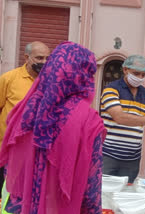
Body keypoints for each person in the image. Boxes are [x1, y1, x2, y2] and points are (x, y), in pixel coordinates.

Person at [0, 41, 106, 213]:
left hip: (19, 206)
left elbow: (12, 168)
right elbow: (91, 190)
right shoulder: (88, 121)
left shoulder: (27, 109)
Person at [100, 55, 145, 183]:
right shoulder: (111, 89)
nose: (139, 78)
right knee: (103, 192)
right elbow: (119, 117)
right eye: (136, 73)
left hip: (132, 158)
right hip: (108, 154)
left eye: (143, 75)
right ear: (125, 69)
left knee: (127, 194)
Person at [0, 41, 50, 198]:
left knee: (26, 195)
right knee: (5, 193)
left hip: (34, 150)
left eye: (47, 58)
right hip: (8, 149)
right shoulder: (9, 79)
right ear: (27, 57)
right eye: (39, 58)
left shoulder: (50, 82)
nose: (44, 62)